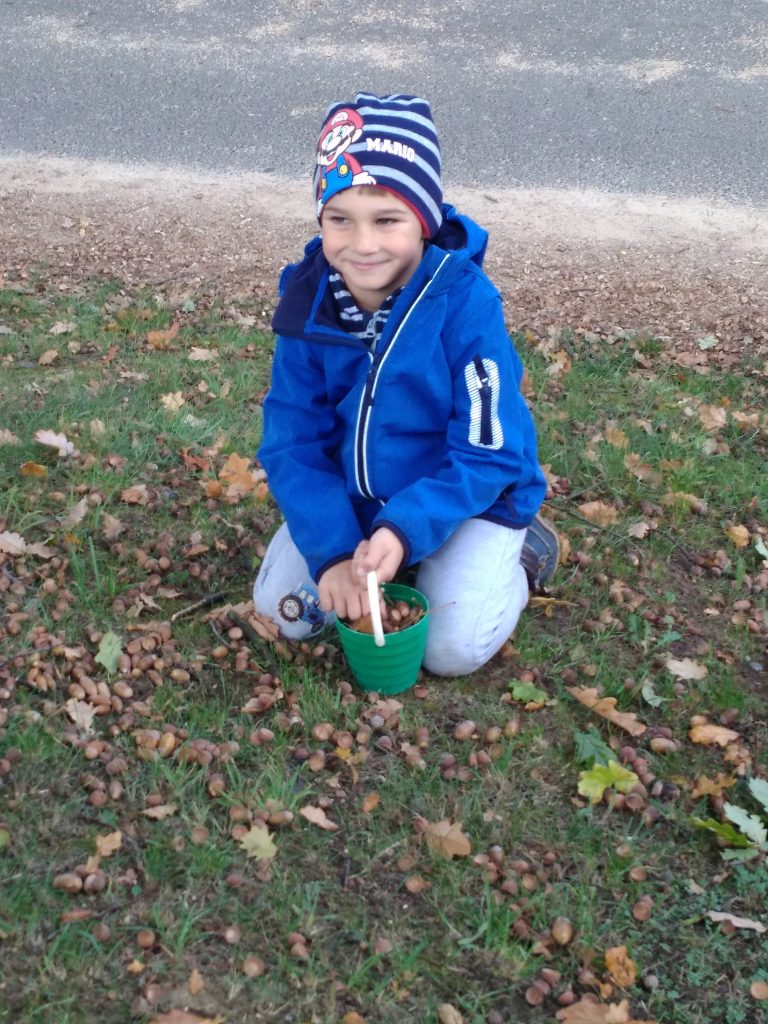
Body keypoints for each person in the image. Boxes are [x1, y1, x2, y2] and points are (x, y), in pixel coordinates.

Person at [252, 91, 559, 676]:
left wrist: (405, 527)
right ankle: (390, 552)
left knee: (450, 651)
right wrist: (333, 553)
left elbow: (489, 452)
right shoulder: (308, 305)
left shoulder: (466, 305)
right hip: (356, 499)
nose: (363, 244)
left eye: (387, 219)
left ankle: (521, 555)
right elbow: (292, 441)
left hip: (468, 499)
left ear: (424, 221)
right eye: (340, 219)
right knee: (287, 613)